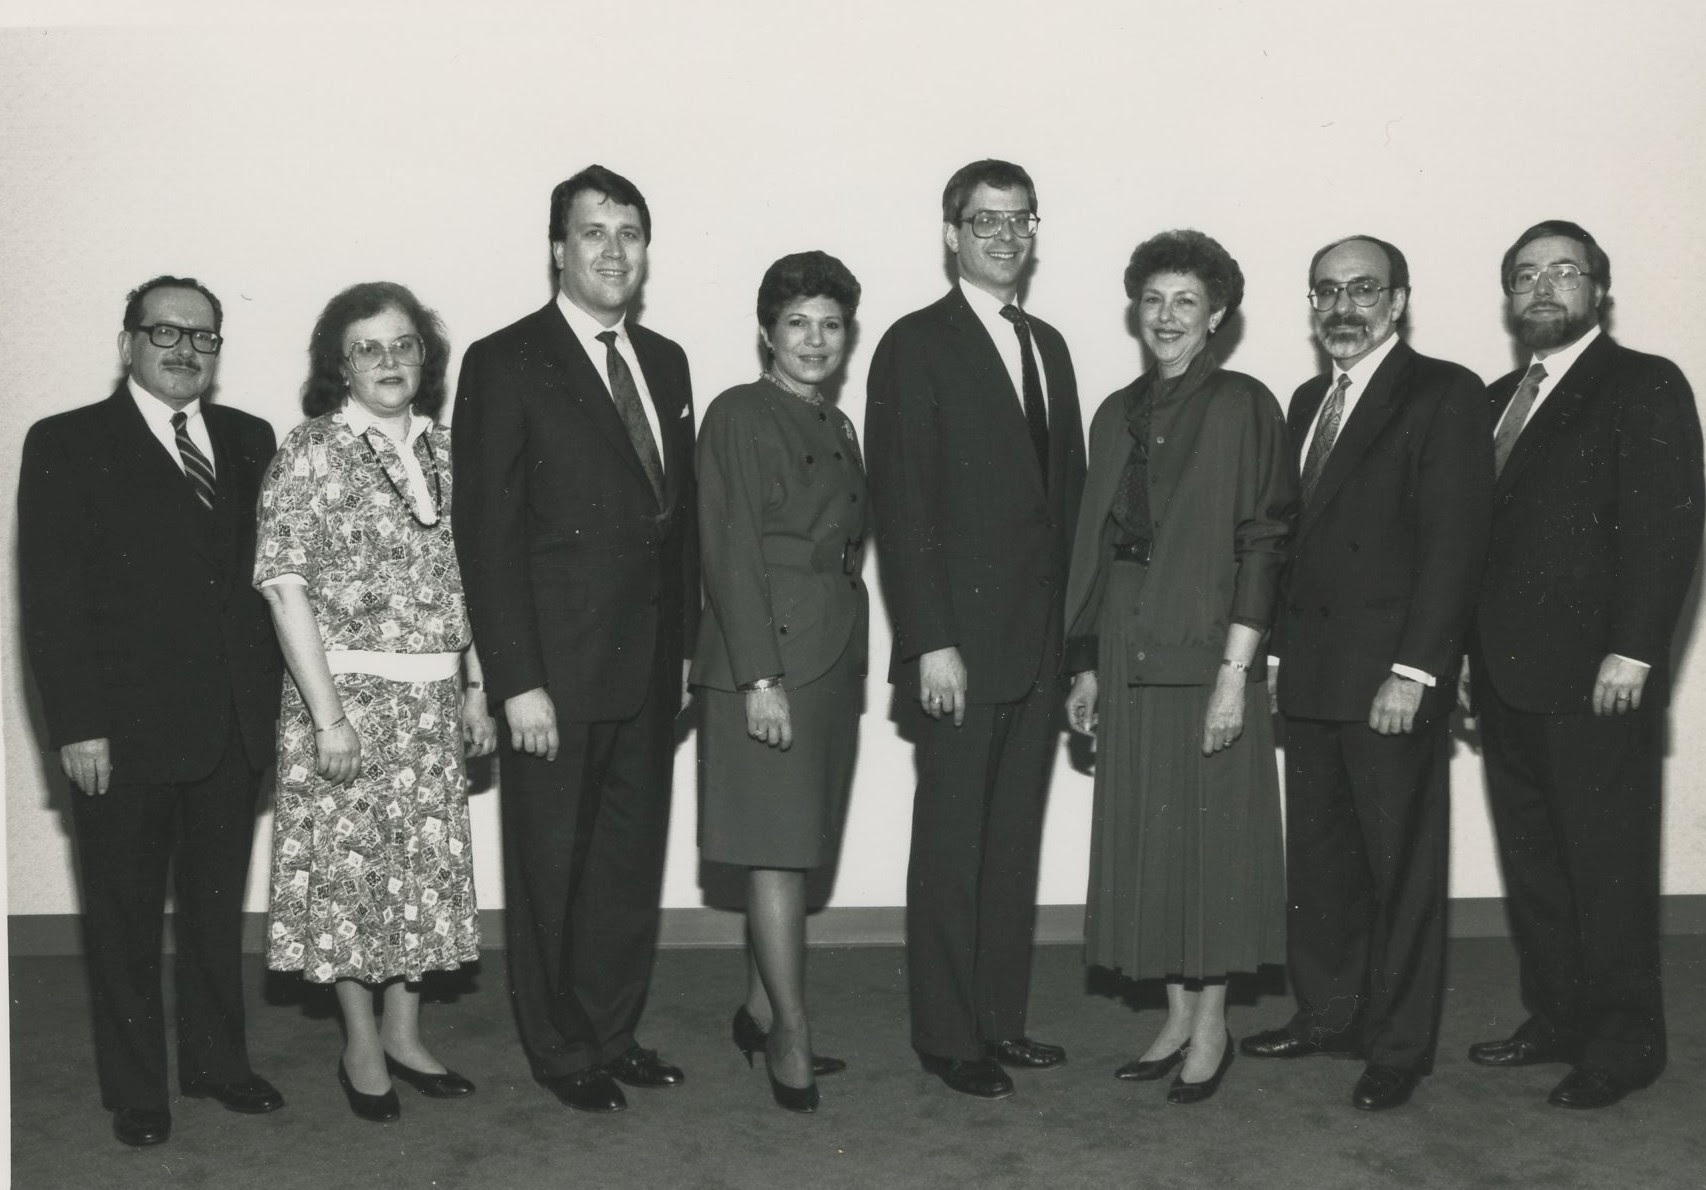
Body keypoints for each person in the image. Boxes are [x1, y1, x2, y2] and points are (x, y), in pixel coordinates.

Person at [452, 164, 699, 1114]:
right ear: (558, 248)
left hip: (646, 668)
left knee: (628, 865)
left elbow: (671, 524)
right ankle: (558, 1049)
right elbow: (488, 531)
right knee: (554, 866)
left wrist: (684, 649)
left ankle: (611, 1030)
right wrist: (516, 680)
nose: (612, 249)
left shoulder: (667, 360)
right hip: (553, 675)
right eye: (593, 232)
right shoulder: (505, 358)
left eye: (629, 232)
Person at [18, 276, 285, 1147]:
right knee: (124, 918)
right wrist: (77, 725)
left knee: (214, 912)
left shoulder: (250, 440)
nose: (184, 349)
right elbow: (51, 601)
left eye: (203, 337)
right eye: (165, 331)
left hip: (232, 727)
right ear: (128, 339)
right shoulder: (66, 442)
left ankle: (217, 1065)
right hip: (122, 736)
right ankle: (138, 1091)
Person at [1243, 235, 1493, 1112]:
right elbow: (1290, 544)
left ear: (1399, 300)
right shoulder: (1311, 396)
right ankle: (1327, 1015)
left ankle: (1397, 1047)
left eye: (1362, 289)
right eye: (1325, 291)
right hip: (1310, 675)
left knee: (1400, 869)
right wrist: (1273, 656)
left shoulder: (1446, 392)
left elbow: (1454, 547)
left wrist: (1417, 671)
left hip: (1389, 678)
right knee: (1319, 865)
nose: (1342, 306)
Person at [1463, 221, 1703, 1109]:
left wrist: (1636, 649)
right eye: (1525, 275)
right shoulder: (1494, 397)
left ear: (1599, 289)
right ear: (1509, 297)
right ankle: (1557, 1020)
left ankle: (1625, 1043)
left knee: (1606, 865)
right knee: (1534, 863)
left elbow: (1668, 527)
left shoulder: (1642, 382)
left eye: (1564, 271)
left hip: (1601, 678)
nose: (1543, 287)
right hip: (1504, 678)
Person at [865, 159, 1086, 1100]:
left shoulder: (1051, 345)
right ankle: (949, 1037)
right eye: (983, 220)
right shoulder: (916, 344)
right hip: (962, 647)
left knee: (1011, 845)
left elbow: (1067, 508)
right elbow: (902, 503)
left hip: (1037, 648)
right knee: (954, 847)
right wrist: (928, 640)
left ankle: (999, 1020)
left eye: (1019, 219)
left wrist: (1077, 652)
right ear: (950, 232)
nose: (1004, 235)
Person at [254, 281, 495, 1122]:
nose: (389, 361)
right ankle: (359, 1046)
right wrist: (328, 718)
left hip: (432, 707)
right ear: (340, 366)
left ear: (424, 358)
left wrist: (474, 689)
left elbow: (469, 582)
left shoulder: (449, 449)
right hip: (347, 702)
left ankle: (405, 1033)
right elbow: (286, 588)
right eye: (368, 348)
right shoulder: (311, 448)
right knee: (352, 886)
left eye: (403, 345)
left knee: (418, 882)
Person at [1062, 231, 1294, 1105]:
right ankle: (1171, 1015)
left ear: (1219, 316)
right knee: (1149, 837)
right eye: (1153, 300)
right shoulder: (1115, 410)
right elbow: (1095, 549)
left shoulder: (1243, 404)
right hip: (1127, 647)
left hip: (1209, 651)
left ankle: (1213, 1024)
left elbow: (1265, 542)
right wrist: (1083, 664)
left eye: (1186, 302)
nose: (1166, 316)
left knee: (1213, 843)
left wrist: (1238, 672)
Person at [692, 250, 867, 1114]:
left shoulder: (836, 422)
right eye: (798, 322)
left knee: (797, 841)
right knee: (774, 847)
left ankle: (760, 1008)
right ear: (767, 330)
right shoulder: (738, 413)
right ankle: (790, 1034)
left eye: (831, 324)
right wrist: (761, 676)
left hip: (830, 655)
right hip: (766, 661)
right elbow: (727, 551)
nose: (815, 339)